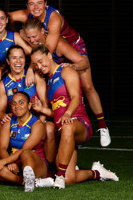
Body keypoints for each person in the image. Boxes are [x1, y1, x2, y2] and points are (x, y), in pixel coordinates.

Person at [10, 0, 110, 146]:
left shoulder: (53, 20)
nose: (35, 7)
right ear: (27, 6)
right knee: (47, 84)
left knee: (88, 86)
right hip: (48, 52)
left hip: (69, 46)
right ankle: (51, 123)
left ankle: (103, 126)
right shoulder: (28, 19)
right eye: (31, 4)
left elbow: (46, 51)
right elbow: (5, 16)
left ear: (46, 4)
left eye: (39, 3)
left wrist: (69, 66)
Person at [29, 44, 118, 189]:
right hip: (64, 132)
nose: (39, 66)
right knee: (70, 178)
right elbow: (57, 113)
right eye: (35, 64)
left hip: (79, 124)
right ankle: (97, 173)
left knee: (68, 127)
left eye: (41, 61)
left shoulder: (66, 71)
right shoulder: (49, 82)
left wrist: (68, 113)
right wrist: (42, 110)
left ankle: (59, 177)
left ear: (50, 56)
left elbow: (76, 97)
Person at [0, 45, 57, 164]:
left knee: (49, 128)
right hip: (17, 123)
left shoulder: (36, 76)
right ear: (8, 61)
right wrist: (5, 117)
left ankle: (50, 166)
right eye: (14, 58)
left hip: (39, 120)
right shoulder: (3, 85)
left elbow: (45, 104)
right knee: (1, 128)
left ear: (25, 60)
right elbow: (0, 111)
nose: (18, 61)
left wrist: (37, 124)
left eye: (21, 57)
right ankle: (6, 161)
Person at [0, 92, 54, 192]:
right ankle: (28, 182)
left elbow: (25, 149)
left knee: (25, 153)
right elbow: (2, 148)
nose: (17, 106)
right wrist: (10, 163)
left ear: (29, 105)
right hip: (14, 162)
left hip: (35, 163)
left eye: (21, 102)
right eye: (14, 103)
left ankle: (28, 179)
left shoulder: (37, 124)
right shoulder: (8, 123)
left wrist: (4, 161)